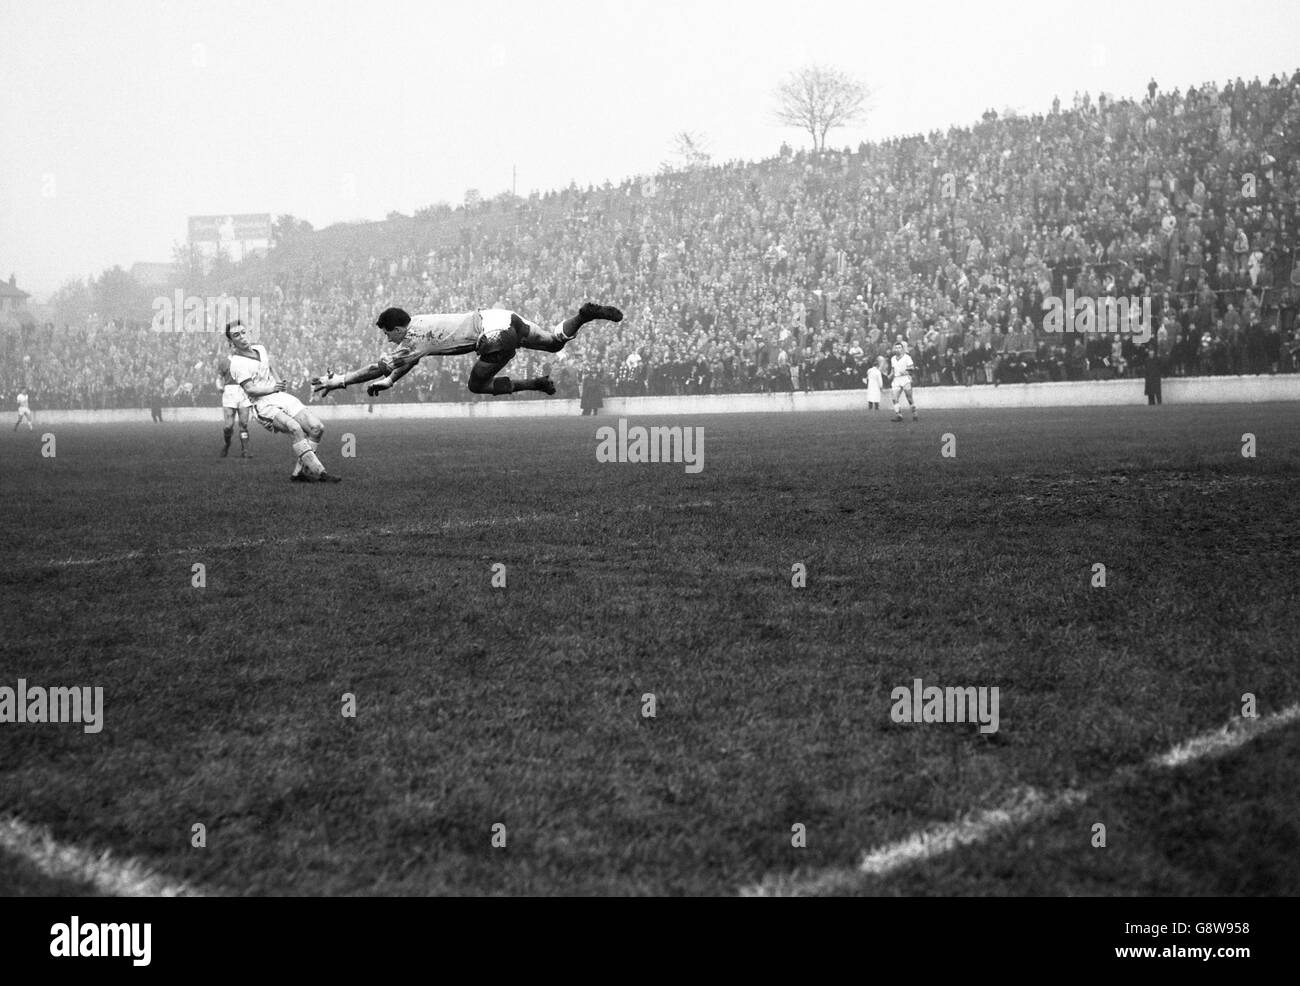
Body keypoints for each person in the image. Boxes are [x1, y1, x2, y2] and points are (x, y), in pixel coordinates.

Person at [311, 302, 623, 400]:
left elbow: (376, 367)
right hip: (500, 316)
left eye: (387, 336)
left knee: (476, 385)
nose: (389, 342)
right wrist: (392, 381)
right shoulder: (420, 327)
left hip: (493, 335)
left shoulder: (412, 339)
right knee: (555, 343)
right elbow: (411, 360)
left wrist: (339, 380)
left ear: (395, 329)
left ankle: (536, 384)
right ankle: (584, 315)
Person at [226, 320, 341, 483]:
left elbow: (270, 367)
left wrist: (279, 384)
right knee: (295, 428)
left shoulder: (260, 349)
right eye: (236, 335)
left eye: (243, 332)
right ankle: (321, 473)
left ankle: (299, 473)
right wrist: (273, 388)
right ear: (231, 341)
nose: (242, 337)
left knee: (317, 427)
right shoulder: (237, 364)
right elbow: (250, 389)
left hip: (278, 395)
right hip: (263, 405)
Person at [216, 351, 253, 457]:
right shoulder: (224, 362)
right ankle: (227, 444)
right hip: (229, 393)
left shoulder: (246, 361)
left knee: (244, 424)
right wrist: (219, 387)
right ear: (231, 347)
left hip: (243, 392)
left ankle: (245, 451)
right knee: (228, 426)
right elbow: (219, 377)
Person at [888, 343, 919, 422]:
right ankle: (899, 415)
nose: (898, 349)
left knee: (909, 398)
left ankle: (915, 414)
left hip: (905, 379)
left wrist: (905, 372)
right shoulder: (893, 358)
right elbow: (893, 369)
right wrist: (889, 376)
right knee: (894, 398)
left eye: (899, 347)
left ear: (902, 349)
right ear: (894, 349)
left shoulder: (907, 357)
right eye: (896, 348)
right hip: (896, 379)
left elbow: (912, 368)